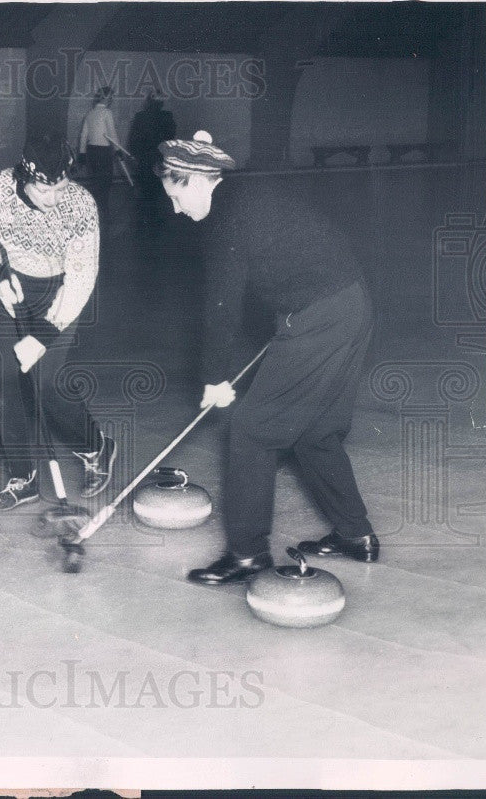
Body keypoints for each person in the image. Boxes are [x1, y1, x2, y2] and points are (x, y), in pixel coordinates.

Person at [155, 131, 379, 586]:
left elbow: (222, 306)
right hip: (351, 304)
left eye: (176, 195)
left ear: (198, 179)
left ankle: (247, 553)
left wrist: (216, 378)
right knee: (316, 432)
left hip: (321, 317)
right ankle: (356, 535)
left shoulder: (227, 221)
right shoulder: (246, 193)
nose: (176, 209)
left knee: (252, 431)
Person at [0, 133, 117, 511]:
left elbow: (81, 277)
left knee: (45, 384)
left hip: (59, 292)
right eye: (44, 191)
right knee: (1, 379)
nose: (54, 199)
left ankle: (95, 445)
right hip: (12, 285)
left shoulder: (80, 205)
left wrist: (45, 333)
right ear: (24, 177)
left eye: (61, 188)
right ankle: (23, 477)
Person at [127, 90, 176, 227]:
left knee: (144, 188)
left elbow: (133, 140)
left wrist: (135, 155)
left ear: (149, 101)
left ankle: (144, 218)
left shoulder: (140, 117)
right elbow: (171, 138)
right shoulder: (167, 116)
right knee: (157, 189)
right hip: (159, 157)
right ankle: (154, 218)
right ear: (161, 103)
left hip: (144, 158)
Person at [78, 86, 123, 219]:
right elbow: (112, 133)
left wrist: (82, 153)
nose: (112, 100)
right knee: (105, 182)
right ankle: (104, 211)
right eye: (112, 97)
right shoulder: (107, 113)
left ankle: (96, 209)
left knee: (96, 181)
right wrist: (118, 149)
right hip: (103, 152)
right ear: (108, 98)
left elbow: (83, 136)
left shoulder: (90, 113)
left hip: (92, 152)